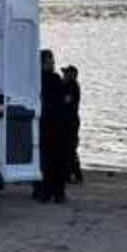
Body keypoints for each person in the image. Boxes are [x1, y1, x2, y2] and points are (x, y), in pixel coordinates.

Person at [38, 49, 71, 203]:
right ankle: (58, 192)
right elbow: (65, 99)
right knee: (57, 159)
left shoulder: (35, 79)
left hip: (43, 123)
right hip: (56, 124)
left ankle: (45, 191)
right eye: (51, 62)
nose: (53, 64)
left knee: (45, 159)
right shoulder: (54, 79)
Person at [62, 65, 83, 184]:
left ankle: (75, 174)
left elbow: (66, 101)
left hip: (71, 121)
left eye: (66, 74)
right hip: (69, 121)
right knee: (68, 148)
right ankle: (70, 174)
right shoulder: (69, 86)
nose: (63, 76)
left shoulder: (72, 87)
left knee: (70, 148)